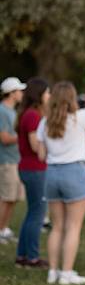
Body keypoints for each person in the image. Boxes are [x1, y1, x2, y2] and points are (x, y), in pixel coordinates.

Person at [37, 67, 85, 285]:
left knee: (56, 227)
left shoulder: (44, 123)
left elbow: (41, 153)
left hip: (52, 174)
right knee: (73, 227)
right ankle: (66, 273)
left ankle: (53, 271)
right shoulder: (78, 118)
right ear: (72, 98)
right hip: (74, 172)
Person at [15, 78, 50, 268]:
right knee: (37, 214)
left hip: (28, 167)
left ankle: (22, 254)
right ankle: (32, 257)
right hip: (35, 168)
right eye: (47, 92)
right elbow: (36, 146)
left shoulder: (27, 114)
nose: (49, 96)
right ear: (39, 94)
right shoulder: (33, 116)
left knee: (31, 213)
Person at [0, 77, 26, 244]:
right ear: (12, 93)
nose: (22, 94)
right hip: (6, 161)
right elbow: (4, 138)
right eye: (19, 91)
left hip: (15, 160)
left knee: (13, 197)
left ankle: (4, 228)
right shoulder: (2, 111)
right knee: (5, 197)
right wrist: (23, 137)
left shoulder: (12, 111)